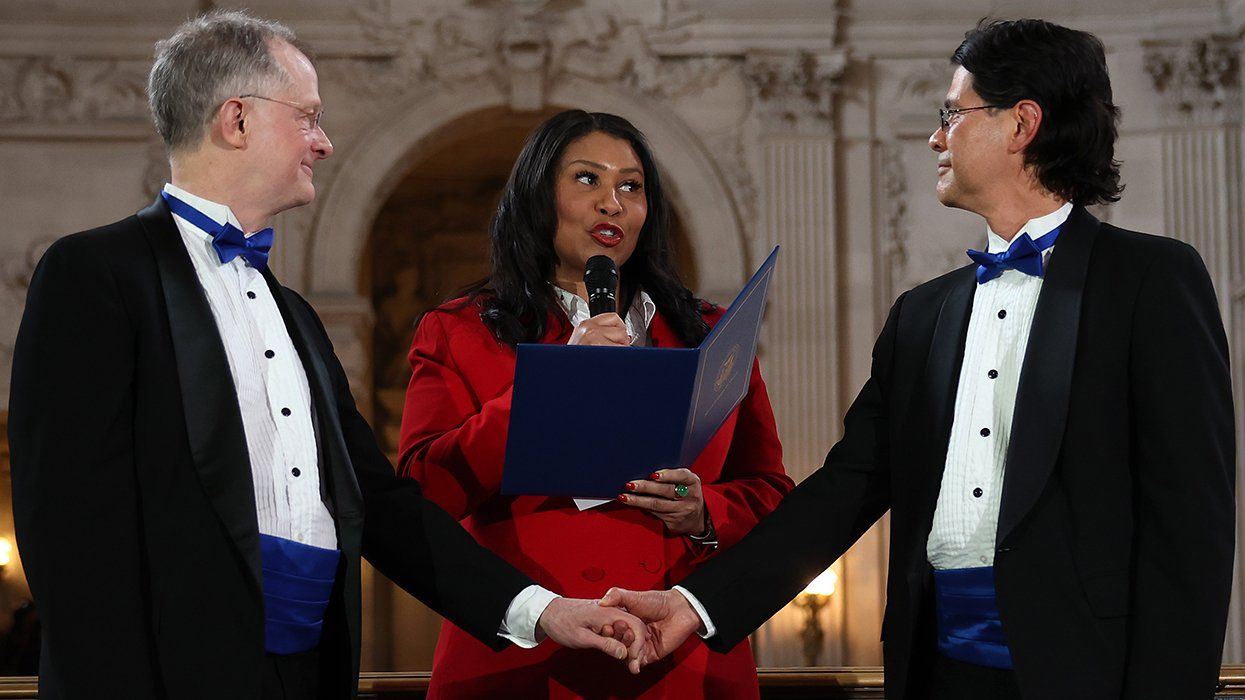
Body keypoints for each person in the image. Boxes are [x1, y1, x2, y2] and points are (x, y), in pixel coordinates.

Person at [7, 12, 647, 700]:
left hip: (310, 675)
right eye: (308, 117)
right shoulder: (95, 273)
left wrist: (540, 611)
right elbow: (68, 527)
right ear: (237, 120)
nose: (324, 141)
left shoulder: (297, 317)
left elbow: (381, 505)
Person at [603, 18, 1235, 700]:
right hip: (934, 674)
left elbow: (1190, 525)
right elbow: (844, 490)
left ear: (1021, 124)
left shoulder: (1150, 280)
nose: (936, 137)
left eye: (951, 114)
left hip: (1088, 676)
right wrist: (696, 605)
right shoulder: (921, 315)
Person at [397, 109, 794, 698]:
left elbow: (772, 494)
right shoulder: (460, 330)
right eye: (587, 179)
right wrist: (555, 383)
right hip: (524, 659)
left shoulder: (711, 333)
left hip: (677, 663)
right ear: (538, 196)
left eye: (631, 186)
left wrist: (706, 512)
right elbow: (422, 493)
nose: (613, 203)